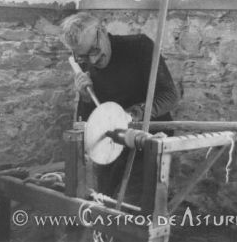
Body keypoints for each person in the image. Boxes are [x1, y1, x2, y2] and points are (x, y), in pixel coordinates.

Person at [60, 12, 178, 205]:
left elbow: (170, 95)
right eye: (83, 56)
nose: (94, 60)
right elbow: (87, 123)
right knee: (103, 203)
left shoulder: (139, 47)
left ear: (103, 30)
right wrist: (85, 98)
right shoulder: (86, 64)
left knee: (132, 209)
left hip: (148, 141)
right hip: (110, 146)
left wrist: (131, 114)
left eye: (95, 50)